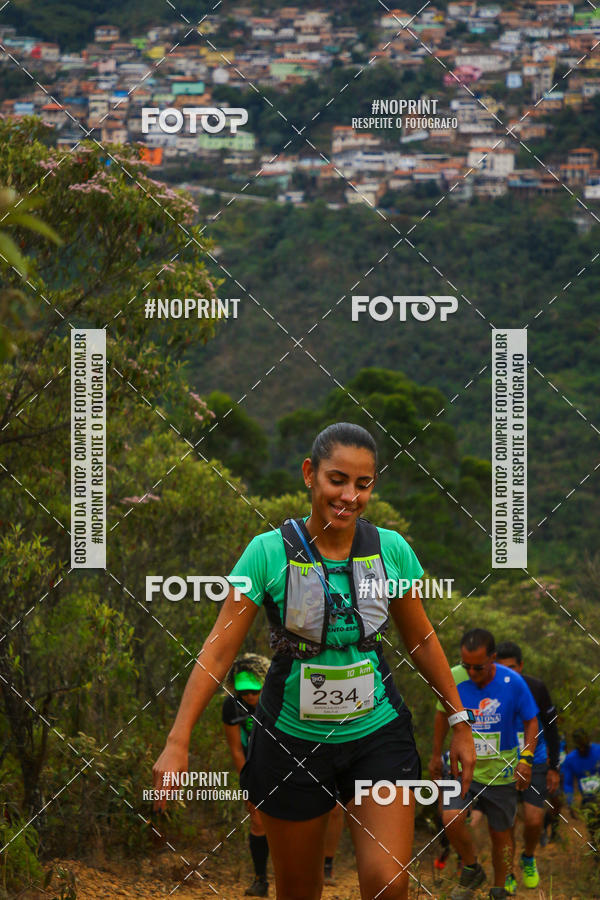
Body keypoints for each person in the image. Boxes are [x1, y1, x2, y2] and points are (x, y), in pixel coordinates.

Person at [154, 422, 476, 900]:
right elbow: (218, 649)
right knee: (299, 891)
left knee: (389, 884)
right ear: (310, 474)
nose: (350, 495)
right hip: (290, 745)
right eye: (337, 479)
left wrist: (459, 718)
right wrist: (177, 742)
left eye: (363, 484)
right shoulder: (266, 554)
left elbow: (423, 640)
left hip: (376, 736)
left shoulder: (391, 551)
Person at [429, 628, 539, 900]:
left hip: (500, 772)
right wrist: (434, 755)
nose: (471, 672)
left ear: (493, 658)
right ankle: (471, 866)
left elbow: (531, 721)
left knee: (501, 834)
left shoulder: (512, 682)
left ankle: (499, 888)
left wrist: (526, 759)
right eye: (466, 665)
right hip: (460, 767)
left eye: (478, 667)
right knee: (450, 818)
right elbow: (442, 715)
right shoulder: (453, 677)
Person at [496, 641, 560, 893]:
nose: (508, 674)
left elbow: (552, 727)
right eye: (501, 668)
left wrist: (554, 766)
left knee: (534, 820)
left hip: (536, 758)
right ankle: (508, 871)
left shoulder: (536, 687)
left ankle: (529, 857)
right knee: (508, 820)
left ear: (521, 666)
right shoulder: (489, 689)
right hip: (504, 761)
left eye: (512, 668)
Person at [222, 654, 271, 896]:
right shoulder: (232, 706)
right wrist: (247, 781)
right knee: (258, 820)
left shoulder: (279, 699)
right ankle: (260, 880)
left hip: (283, 765)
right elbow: (235, 748)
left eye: (255, 689)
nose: (250, 695)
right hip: (252, 766)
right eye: (244, 691)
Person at [561, 729, 600, 811]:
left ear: (588, 741)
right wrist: (570, 802)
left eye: (584, 746)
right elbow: (568, 784)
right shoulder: (570, 759)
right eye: (579, 747)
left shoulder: (598, 751)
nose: (582, 750)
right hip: (588, 802)